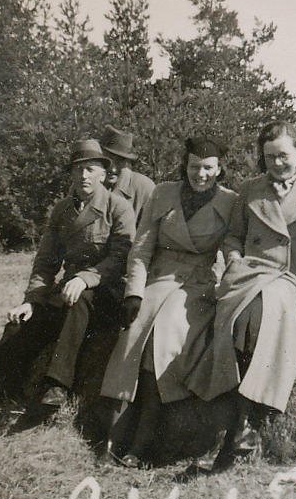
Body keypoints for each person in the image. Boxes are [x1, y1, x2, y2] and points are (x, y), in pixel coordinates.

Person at [185, 120, 296, 473]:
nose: (278, 163)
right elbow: (234, 237)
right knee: (236, 323)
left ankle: (236, 429)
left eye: (284, 155)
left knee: (256, 314)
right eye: (270, 157)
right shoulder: (250, 190)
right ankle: (239, 428)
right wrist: (234, 260)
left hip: (287, 278)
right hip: (250, 273)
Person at [0, 139, 136, 416]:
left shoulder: (118, 208)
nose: (84, 175)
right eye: (78, 169)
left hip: (105, 293)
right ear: (70, 174)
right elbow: (45, 262)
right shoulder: (61, 211)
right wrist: (32, 300)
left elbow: (120, 259)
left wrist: (85, 278)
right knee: (21, 322)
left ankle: (56, 385)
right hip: (67, 292)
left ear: (104, 174)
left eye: (91, 169)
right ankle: (0, 402)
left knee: (80, 298)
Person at [97, 137, 238, 468]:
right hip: (162, 276)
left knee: (163, 339)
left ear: (219, 170)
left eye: (207, 168)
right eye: (193, 167)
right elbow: (142, 247)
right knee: (133, 334)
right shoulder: (163, 193)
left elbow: (234, 246)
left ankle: (142, 443)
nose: (200, 174)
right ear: (184, 165)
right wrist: (134, 291)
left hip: (200, 286)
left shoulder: (231, 202)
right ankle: (113, 439)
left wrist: (223, 279)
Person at [100, 124, 156, 225]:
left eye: (119, 161)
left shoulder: (143, 187)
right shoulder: (86, 183)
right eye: (109, 160)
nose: (113, 169)